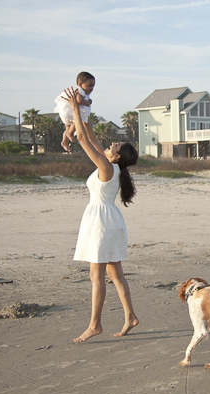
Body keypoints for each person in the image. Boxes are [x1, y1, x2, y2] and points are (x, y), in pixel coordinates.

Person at [62, 87, 140, 343]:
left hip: (102, 222)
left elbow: (84, 141)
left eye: (113, 145)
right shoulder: (112, 166)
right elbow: (91, 136)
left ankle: (95, 324)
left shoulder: (107, 167)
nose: (109, 144)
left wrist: (74, 108)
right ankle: (130, 316)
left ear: (116, 156)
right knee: (115, 274)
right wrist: (83, 111)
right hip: (108, 220)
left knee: (97, 276)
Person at [54, 72, 95, 152]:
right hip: (69, 112)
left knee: (68, 128)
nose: (92, 88)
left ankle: (64, 142)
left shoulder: (81, 91)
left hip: (65, 112)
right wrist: (87, 103)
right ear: (80, 84)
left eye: (93, 86)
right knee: (76, 122)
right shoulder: (79, 90)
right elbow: (79, 100)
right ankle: (70, 134)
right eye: (89, 85)